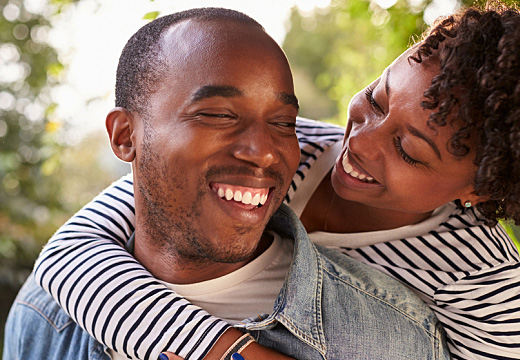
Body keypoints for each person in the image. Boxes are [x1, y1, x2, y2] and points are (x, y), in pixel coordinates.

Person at [32, 3, 520, 360]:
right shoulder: (292, 147)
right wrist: (226, 351)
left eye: (408, 151)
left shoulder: (487, 284)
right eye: (376, 99)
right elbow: (70, 253)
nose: (363, 142)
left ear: (477, 191)